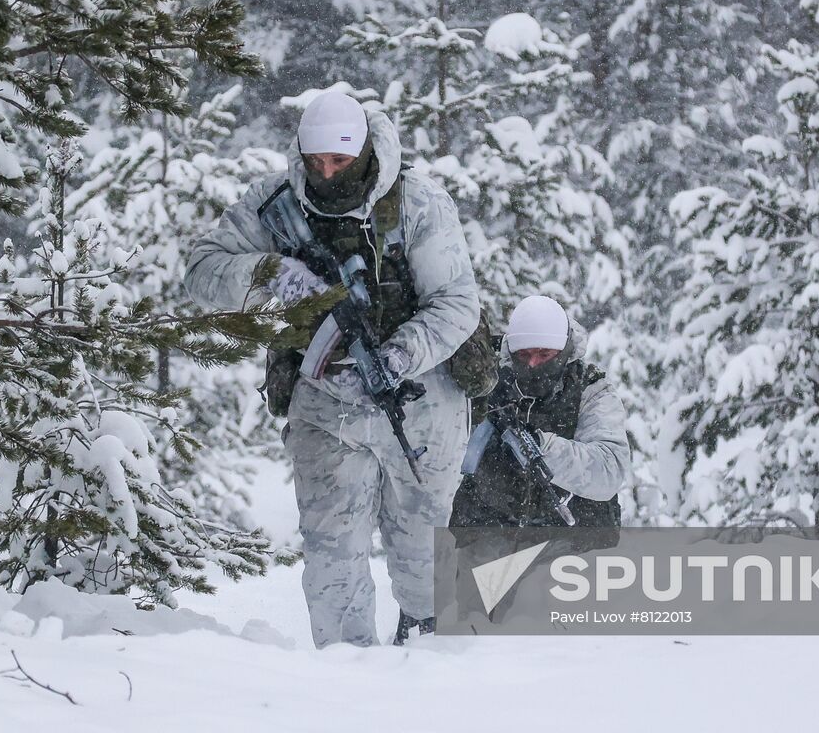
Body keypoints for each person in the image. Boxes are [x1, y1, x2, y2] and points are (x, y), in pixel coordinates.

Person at [183, 91, 480, 647]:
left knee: (424, 555)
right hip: (324, 400)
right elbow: (202, 268)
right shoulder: (277, 200)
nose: (326, 174)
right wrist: (277, 277)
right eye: (316, 162)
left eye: (339, 163)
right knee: (331, 560)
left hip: (423, 399)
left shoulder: (417, 202)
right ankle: (345, 677)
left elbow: (457, 304)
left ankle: (434, 667)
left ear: (365, 153)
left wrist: (399, 355)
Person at [451, 295, 630, 528]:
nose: (533, 363)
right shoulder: (490, 382)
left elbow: (608, 471)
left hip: (572, 536)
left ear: (563, 351)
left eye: (544, 354)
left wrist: (541, 445)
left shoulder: (591, 389)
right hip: (490, 526)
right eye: (524, 355)